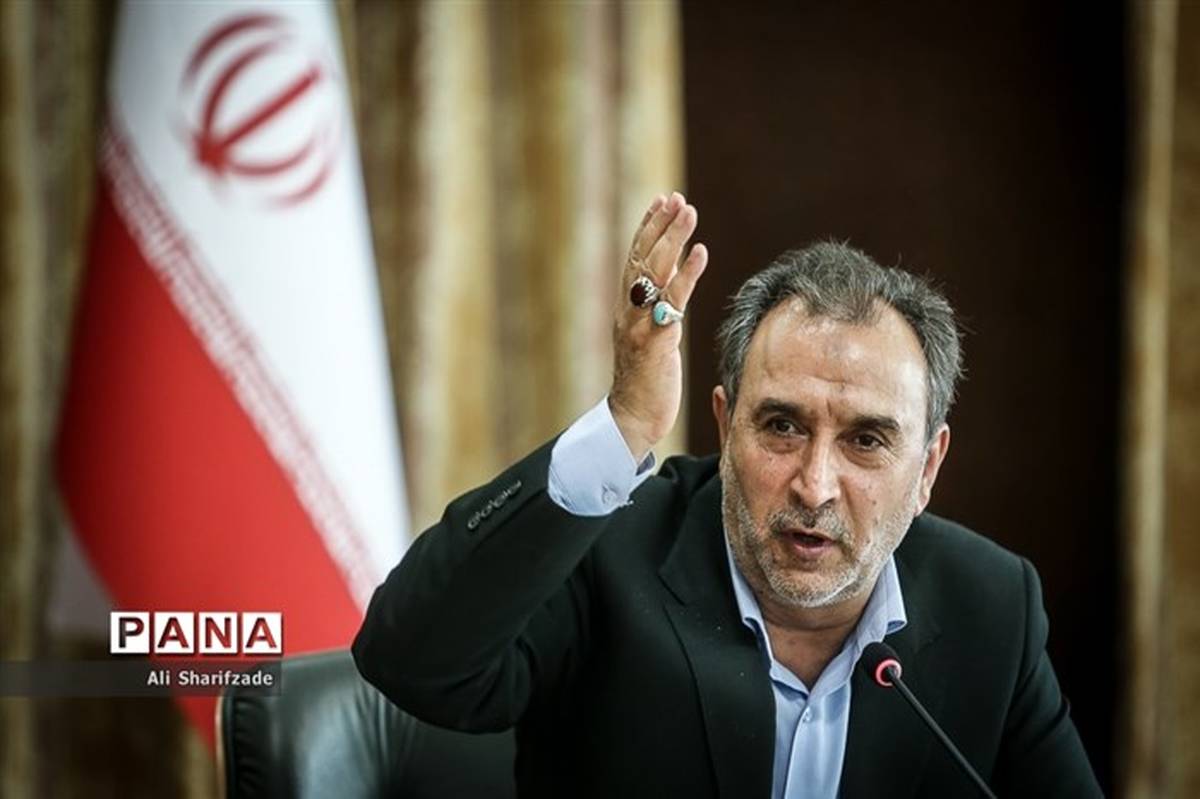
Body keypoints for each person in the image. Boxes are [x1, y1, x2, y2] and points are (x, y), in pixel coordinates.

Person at [353, 192, 1102, 797]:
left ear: (928, 467)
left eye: (866, 441)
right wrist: (625, 426)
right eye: (781, 426)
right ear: (724, 423)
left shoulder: (992, 608)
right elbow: (408, 660)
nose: (815, 485)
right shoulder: (608, 552)